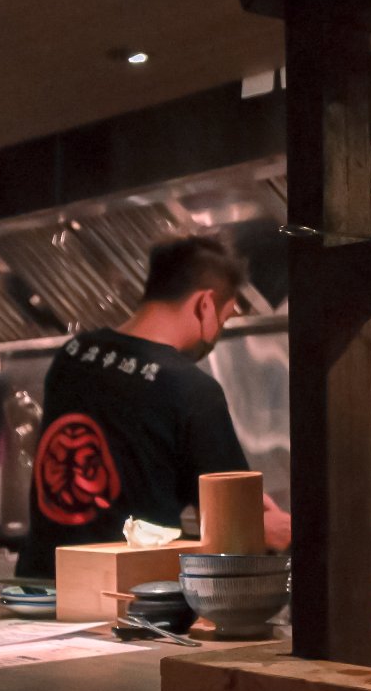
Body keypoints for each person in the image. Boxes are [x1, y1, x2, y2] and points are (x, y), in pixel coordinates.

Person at [16, 236, 290, 577]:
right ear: (205, 304)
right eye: (225, 317)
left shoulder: (73, 355)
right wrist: (268, 528)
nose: (219, 331)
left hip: (38, 585)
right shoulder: (192, 389)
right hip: (128, 599)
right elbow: (232, 523)